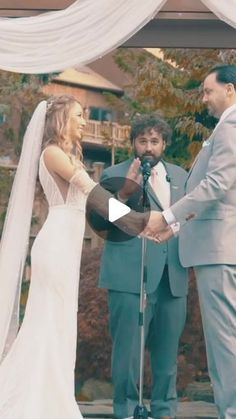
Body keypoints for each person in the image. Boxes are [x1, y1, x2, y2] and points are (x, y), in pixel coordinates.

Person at [0, 94, 141, 419]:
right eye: (78, 115)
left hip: (65, 246)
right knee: (48, 321)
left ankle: (53, 395)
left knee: (60, 322)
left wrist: (124, 197)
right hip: (55, 245)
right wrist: (137, 221)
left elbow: (92, 204)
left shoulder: (63, 155)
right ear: (61, 119)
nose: (82, 120)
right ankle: (37, 399)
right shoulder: (52, 153)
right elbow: (91, 191)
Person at [144, 64, 236, 419]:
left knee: (224, 342)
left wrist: (167, 216)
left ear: (229, 89)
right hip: (220, 244)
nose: (204, 98)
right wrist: (177, 228)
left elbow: (215, 187)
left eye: (207, 90)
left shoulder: (230, 124)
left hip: (220, 252)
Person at [89, 115, 188, 419]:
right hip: (128, 275)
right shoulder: (114, 173)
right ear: (133, 142)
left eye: (154, 141)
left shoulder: (181, 176)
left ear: (164, 144)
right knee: (128, 352)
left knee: (167, 352)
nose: (148, 147)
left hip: (172, 275)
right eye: (142, 141)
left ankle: (164, 409)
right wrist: (125, 192)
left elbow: (190, 218)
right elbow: (103, 220)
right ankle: (127, 409)